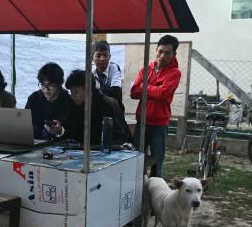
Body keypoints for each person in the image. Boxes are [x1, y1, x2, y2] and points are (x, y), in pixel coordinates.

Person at [130, 35, 182, 177]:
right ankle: (137, 192)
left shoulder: (175, 73)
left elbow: (163, 93)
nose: (162, 56)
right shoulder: (146, 69)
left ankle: (155, 195)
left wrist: (145, 87)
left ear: (174, 54)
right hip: (142, 122)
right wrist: (154, 88)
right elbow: (134, 92)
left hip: (159, 125)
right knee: (135, 159)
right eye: (160, 51)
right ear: (156, 50)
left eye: (167, 53)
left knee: (156, 163)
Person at [64, 69, 132, 147]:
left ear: (89, 89)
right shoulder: (76, 105)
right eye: (71, 92)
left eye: (76, 92)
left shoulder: (107, 105)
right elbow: (73, 132)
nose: (73, 96)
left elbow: (119, 137)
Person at [25, 62, 74, 140]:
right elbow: (25, 122)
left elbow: (73, 132)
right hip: (34, 141)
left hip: (58, 144)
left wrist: (60, 131)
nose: (46, 89)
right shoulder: (34, 98)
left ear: (60, 84)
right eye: (42, 84)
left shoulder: (69, 101)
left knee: (46, 133)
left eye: (50, 85)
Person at [91, 40, 123, 106]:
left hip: (114, 110)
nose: (102, 59)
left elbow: (115, 92)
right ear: (92, 58)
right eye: (98, 56)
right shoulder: (90, 71)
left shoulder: (114, 68)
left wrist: (96, 92)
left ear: (110, 57)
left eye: (105, 55)